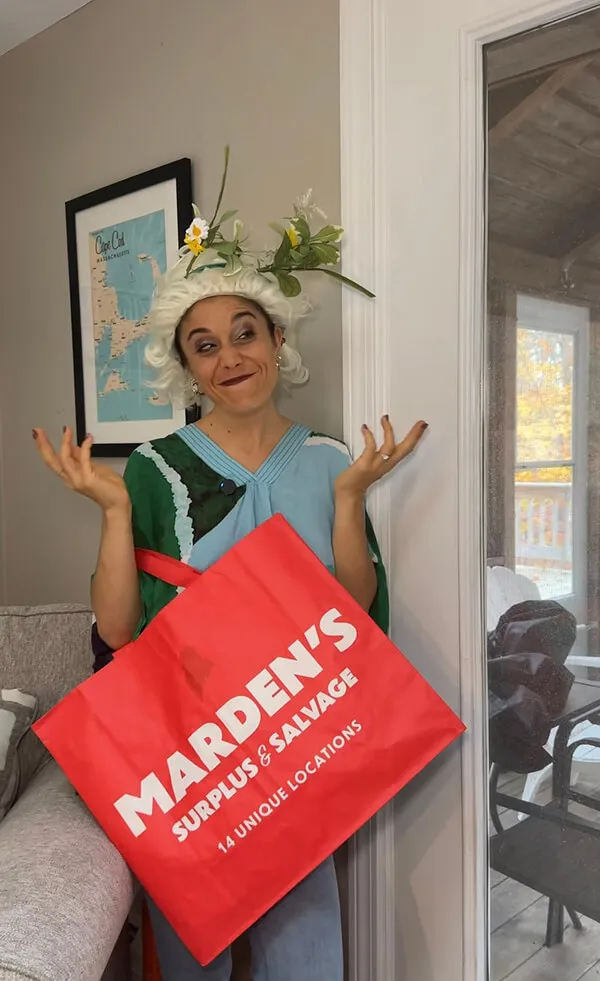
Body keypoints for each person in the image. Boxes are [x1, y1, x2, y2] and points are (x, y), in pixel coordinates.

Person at [33, 160, 426, 981]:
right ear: (188, 368)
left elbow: (353, 613)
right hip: (192, 757)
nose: (229, 357)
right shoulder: (154, 468)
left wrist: (349, 499)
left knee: (306, 952)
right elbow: (117, 629)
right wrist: (114, 511)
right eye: (204, 346)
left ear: (278, 339)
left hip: (294, 747)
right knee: (191, 955)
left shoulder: (329, 459)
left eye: (245, 333)